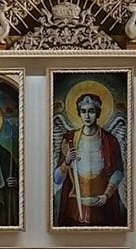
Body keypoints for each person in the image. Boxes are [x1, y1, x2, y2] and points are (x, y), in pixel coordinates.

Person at [54, 91, 126, 226]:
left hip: (103, 203)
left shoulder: (110, 141)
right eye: (83, 111)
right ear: (79, 113)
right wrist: (66, 162)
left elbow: (118, 171)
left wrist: (106, 195)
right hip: (75, 203)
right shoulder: (69, 140)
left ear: (98, 113)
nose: (87, 116)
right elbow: (57, 179)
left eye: (91, 111)